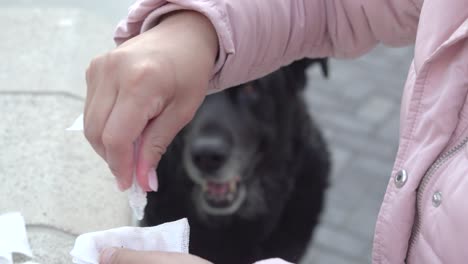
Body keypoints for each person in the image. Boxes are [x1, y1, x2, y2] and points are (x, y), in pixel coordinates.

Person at [84, 1, 468, 263]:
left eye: (253, 92)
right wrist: (197, 26)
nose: (209, 141)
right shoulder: (162, 195)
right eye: (202, 97)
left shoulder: (305, 183)